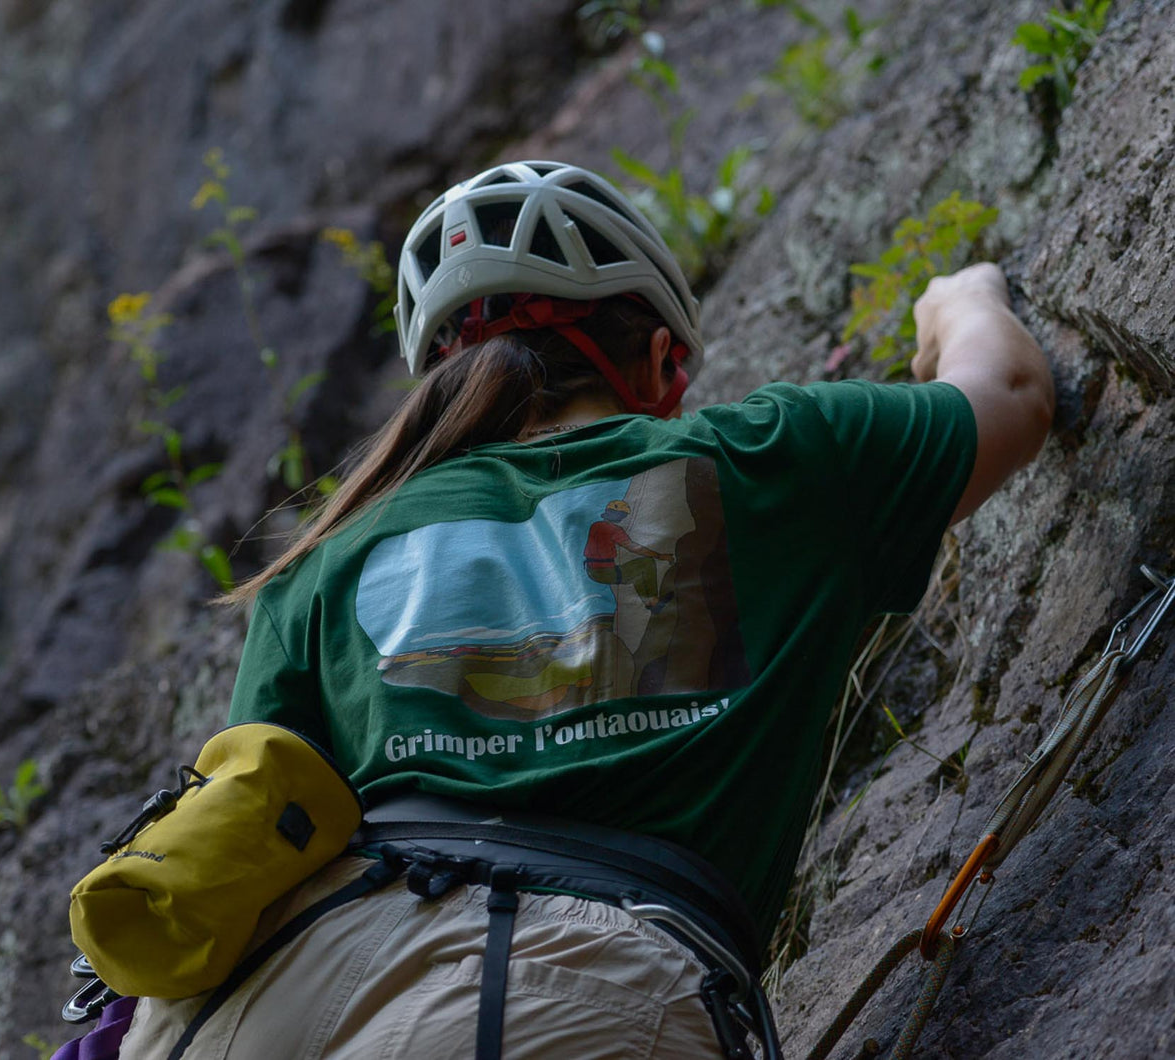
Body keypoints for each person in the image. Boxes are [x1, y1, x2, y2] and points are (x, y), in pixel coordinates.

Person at [111, 160, 1053, 1059]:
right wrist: (958, 294)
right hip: (560, 992)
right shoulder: (767, 457)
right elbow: (1007, 393)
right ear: (654, 362)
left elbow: (257, 823)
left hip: (259, 1004)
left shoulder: (324, 558)